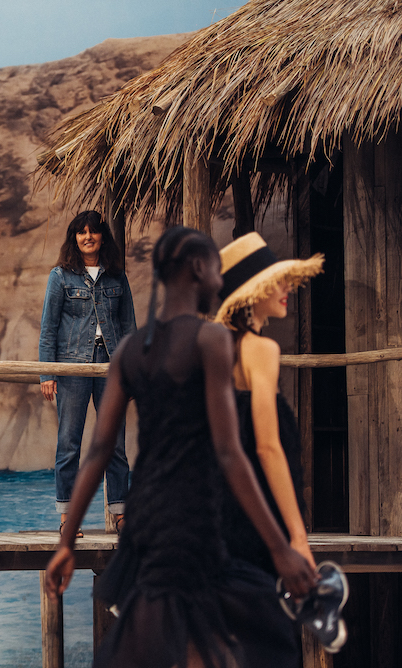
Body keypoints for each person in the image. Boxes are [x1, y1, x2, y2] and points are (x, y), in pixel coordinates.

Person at [45, 226, 316, 668]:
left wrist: (66, 543)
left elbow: (97, 451)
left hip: (147, 513)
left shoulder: (132, 348)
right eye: (214, 271)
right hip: (192, 508)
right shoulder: (209, 340)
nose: (217, 283)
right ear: (197, 269)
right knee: (224, 630)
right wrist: (281, 547)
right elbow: (229, 453)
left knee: (168, 624)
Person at [214, 232, 323, 575]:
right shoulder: (262, 351)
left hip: (220, 512)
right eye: (276, 282)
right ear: (254, 292)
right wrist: (297, 536)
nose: (286, 288)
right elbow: (268, 448)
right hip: (258, 517)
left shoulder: (212, 353)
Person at [38, 211, 135, 536]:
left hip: (111, 367)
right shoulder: (60, 276)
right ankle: (68, 517)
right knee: (69, 442)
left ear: (102, 237)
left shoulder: (116, 277)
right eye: (81, 232)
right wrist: (47, 373)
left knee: (114, 443)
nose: (88, 237)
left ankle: (121, 513)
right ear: (74, 238)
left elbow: (128, 327)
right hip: (71, 366)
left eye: (93, 232)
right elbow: (48, 328)